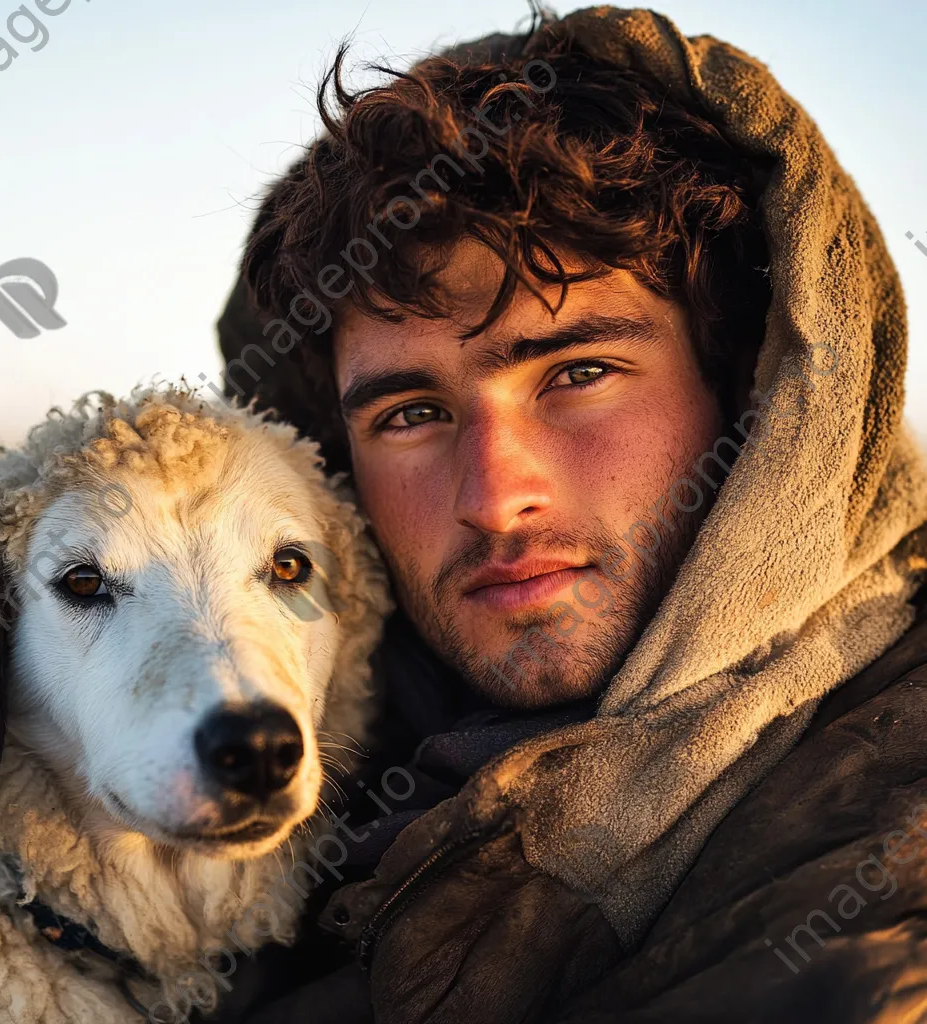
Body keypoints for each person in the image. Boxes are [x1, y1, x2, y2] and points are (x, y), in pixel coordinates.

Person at [213, 6, 927, 1022]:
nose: (497, 497)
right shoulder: (221, 810)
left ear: (750, 389)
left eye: (578, 372)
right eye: (413, 413)